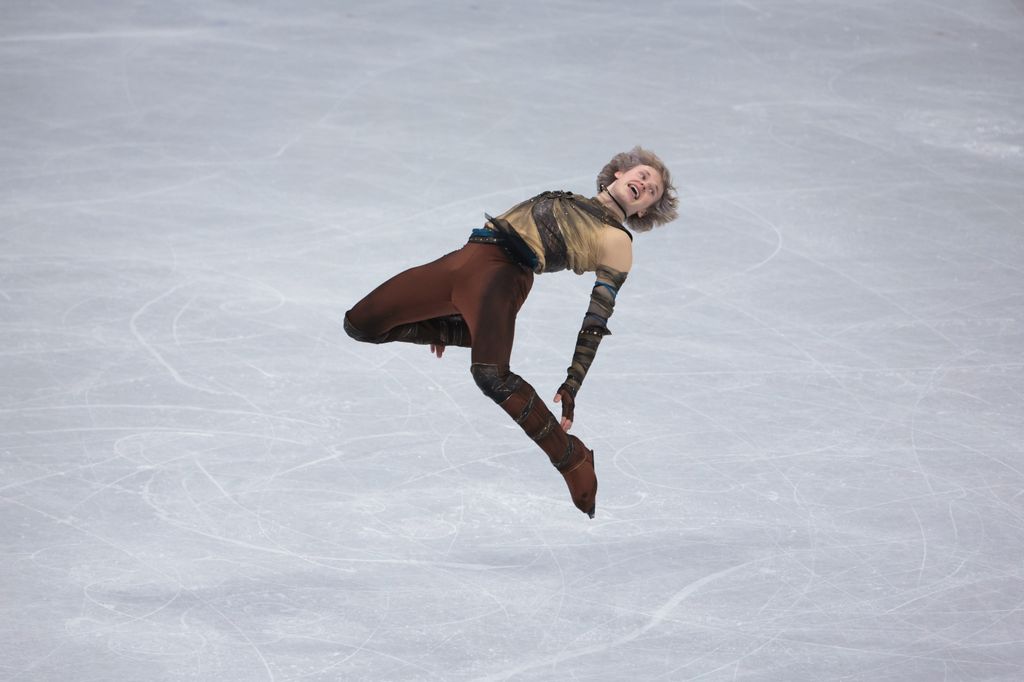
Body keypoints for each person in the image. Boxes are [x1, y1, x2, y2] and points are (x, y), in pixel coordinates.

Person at [344, 147, 679, 518]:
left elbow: (595, 321)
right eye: (643, 175)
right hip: (466, 258)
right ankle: (463, 330)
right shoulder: (573, 198)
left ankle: (570, 456)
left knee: (491, 375)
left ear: (644, 211)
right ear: (620, 173)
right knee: (361, 324)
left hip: (502, 277)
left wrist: (572, 382)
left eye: (652, 191)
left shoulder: (618, 242)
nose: (644, 185)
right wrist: (441, 326)